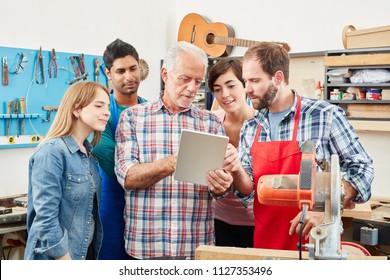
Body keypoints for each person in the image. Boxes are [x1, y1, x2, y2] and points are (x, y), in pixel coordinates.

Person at [228, 42, 374, 250]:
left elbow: (363, 169)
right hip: (266, 244)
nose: (247, 89)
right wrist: (234, 169)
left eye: (254, 80)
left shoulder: (325, 116)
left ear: (277, 78)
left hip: (317, 243)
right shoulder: (251, 127)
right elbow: (249, 191)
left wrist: (325, 209)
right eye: (245, 81)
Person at [114, 41, 233, 260]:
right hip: (147, 246)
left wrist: (222, 185)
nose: (192, 88)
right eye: (185, 79)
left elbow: (217, 189)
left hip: (195, 246)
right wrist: (172, 163)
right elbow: (127, 177)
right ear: (165, 74)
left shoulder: (210, 123)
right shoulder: (133, 118)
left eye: (198, 81)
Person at [24, 81, 111, 260]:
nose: (107, 112)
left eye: (108, 107)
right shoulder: (52, 151)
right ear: (76, 109)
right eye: (99, 105)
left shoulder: (89, 155)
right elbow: (46, 219)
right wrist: (65, 260)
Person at [93, 38, 147, 260]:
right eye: (121, 71)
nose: (129, 76)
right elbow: (115, 165)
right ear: (108, 73)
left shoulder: (150, 110)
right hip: (112, 205)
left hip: (147, 208)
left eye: (133, 68)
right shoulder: (100, 113)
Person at [207, 58, 256, 248]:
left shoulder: (263, 124)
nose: (224, 95)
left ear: (245, 84)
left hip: (256, 221)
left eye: (230, 85)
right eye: (217, 89)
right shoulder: (212, 122)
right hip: (220, 220)